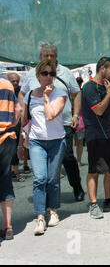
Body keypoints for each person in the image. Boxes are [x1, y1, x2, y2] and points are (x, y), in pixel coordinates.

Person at [18, 42, 85, 202]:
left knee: (67, 157)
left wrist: (76, 115)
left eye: (52, 55)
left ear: (57, 57)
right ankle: (48, 196)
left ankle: (76, 186)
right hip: (40, 126)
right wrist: (25, 112)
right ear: (40, 57)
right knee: (45, 160)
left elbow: (77, 93)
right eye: (45, 55)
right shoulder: (32, 74)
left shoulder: (66, 72)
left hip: (64, 123)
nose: (49, 58)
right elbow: (22, 94)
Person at [19, 60, 68, 236]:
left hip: (57, 141)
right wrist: (19, 143)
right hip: (36, 142)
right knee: (40, 178)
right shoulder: (30, 95)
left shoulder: (60, 94)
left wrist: (47, 97)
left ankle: (53, 211)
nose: (48, 77)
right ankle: (40, 216)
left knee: (52, 180)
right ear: (38, 76)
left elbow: (50, 115)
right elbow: (24, 121)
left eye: (51, 74)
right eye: (45, 73)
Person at [81, 58, 110, 219]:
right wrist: (109, 94)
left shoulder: (107, 86)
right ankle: (94, 203)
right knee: (94, 170)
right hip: (95, 134)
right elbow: (99, 110)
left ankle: (109, 201)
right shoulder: (89, 87)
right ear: (102, 69)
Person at [0, 74, 22, 241]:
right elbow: (19, 110)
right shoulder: (6, 83)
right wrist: (10, 125)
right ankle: (8, 226)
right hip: (7, 138)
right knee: (5, 178)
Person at [8, 73, 25, 182]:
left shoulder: (21, 92)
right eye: (13, 81)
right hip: (6, 124)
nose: (15, 83)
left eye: (16, 81)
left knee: (16, 149)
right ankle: (10, 171)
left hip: (18, 124)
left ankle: (16, 171)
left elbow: (22, 108)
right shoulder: (5, 90)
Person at [74, 77, 85, 167]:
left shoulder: (71, 91)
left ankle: (77, 160)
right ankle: (78, 160)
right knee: (79, 143)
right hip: (80, 119)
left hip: (78, 119)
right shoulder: (82, 92)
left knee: (75, 143)